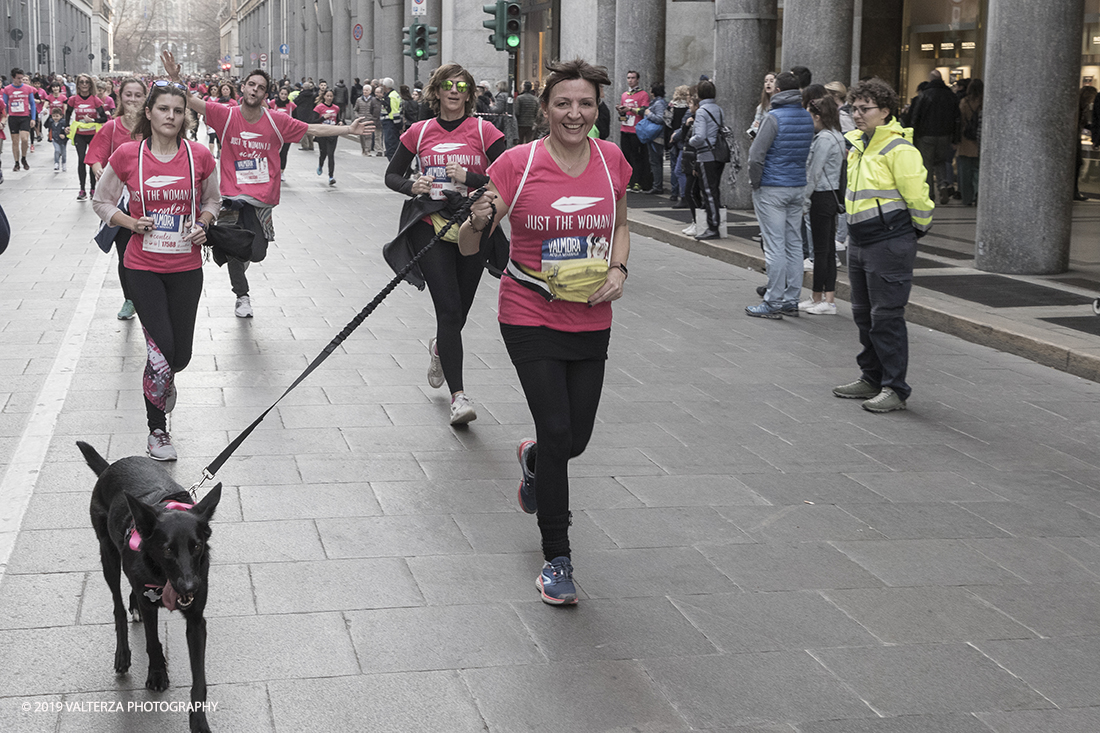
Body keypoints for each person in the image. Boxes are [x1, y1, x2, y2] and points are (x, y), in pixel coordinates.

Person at [457, 58, 632, 606]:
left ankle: (535, 460)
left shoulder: (611, 162)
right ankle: (557, 556)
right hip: (529, 310)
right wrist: (479, 220)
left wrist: (619, 269)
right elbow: (467, 245)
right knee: (559, 431)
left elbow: (621, 224)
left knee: (572, 441)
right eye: (563, 103)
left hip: (590, 314)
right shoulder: (517, 163)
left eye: (584, 104)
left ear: (596, 108)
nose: (574, 114)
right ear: (545, 109)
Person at [162, 51, 373, 318]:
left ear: (266, 94)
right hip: (230, 197)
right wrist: (174, 77)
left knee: (256, 252)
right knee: (232, 246)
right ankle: (242, 295)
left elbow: (312, 129)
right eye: (252, 85)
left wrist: (347, 130)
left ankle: (241, 260)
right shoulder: (225, 115)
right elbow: (190, 101)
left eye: (261, 87)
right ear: (243, 88)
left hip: (261, 199)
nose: (255, 90)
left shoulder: (276, 120)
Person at [91, 82, 220, 460]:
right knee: (161, 349)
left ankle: (165, 381)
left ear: (185, 117)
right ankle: (157, 430)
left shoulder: (199, 156)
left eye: (178, 111)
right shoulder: (129, 155)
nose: (171, 117)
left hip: (186, 266)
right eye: (163, 109)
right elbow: (101, 200)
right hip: (142, 267)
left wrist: (205, 222)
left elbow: (214, 198)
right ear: (149, 113)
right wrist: (130, 223)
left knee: (180, 356)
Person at [383, 64, 506, 425]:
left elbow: (510, 176)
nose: (454, 90)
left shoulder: (485, 131)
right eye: (447, 85)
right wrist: (412, 186)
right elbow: (392, 174)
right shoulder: (419, 132)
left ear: (469, 94)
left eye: (462, 86)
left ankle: (440, 347)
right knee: (449, 311)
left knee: (460, 313)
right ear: (436, 92)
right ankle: (459, 397)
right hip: (430, 225)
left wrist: (471, 178)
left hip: (474, 224)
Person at [834, 77, 934, 413]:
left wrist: (909, 232)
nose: (858, 114)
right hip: (860, 241)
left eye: (865, 109)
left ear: (886, 111)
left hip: (889, 242)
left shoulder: (899, 149)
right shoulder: (859, 146)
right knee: (864, 314)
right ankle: (871, 376)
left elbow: (919, 198)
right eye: (854, 108)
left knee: (886, 317)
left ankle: (895, 387)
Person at [745, 71, 814, 319]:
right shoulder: (807, 118)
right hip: (797, 185)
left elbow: (756, 156)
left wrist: (755, 183)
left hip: (772, 186)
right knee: (794, 244)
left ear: (777, 90)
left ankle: (773, 301)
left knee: (775, 245)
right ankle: (791, 299)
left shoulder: (773, 118)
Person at [87, 76, 148, 321]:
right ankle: (130, 298)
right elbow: (95, 155)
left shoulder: (153, 125)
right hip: (121, 204)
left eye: (138, 94)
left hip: (150, 201)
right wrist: (98, 169)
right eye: (128, 94)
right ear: (120, 97)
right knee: (125, 254)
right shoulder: (112, 127)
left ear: (146, 98)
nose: (132, 99)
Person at [798, 93, 846, 316]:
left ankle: (821, 297)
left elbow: (814, 172)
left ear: (817, 116)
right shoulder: (836, 136)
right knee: (825, 249)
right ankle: (825, 297)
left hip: (821, 196)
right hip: (832, 196)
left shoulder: (824, 139)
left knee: (820, 250)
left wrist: (805, 200)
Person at [909, 70, 959, 205]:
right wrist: (955, 138)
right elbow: (957, 119)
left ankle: (929, 193)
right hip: (945, 135)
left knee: (927, 164)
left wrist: (913, 134)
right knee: (941, 162)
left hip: (926, 135)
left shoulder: (924, 95)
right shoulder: (951, 96)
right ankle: (942, 186)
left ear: (930, 80)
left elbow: (916, 116)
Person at [689, 80, 728, 241]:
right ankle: (716, 223)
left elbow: (700, 136)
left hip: (706, 154)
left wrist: (690, 141)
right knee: (714, 189)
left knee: (708, 191)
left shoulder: (701, 111)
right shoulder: (718, 109)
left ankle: (713, 227)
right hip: (719, 154)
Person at [66, 73, 108, 200]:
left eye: (87, 82)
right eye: (81, 82)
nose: (84, 84)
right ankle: (82, 189)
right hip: (79, 135)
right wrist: (66, 126)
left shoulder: (95, 100)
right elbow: (67, 114)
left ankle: (93, 188)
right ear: (77, 84)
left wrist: (93, 120)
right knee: (81, 160)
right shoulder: (73, 99)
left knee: (92, 161)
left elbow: (104, 118)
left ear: (90, 85)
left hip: (93, 135)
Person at [617, 69, 650, 191]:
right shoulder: (624, 95)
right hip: (625, 127)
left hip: (636, 130)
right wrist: (621, 111)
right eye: (628, 78)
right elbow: (624, 111)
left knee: (637, 156)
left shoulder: (643, 94)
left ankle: (638, 181)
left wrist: (629, 109)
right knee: (626, 156)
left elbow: (644, 111)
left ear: (637, 80)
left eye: (632, 78)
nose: (630, 80)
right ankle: (628, 181)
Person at [2, 68, 38, 172]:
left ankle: (23, 157)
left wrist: (33, 118)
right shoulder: (7, 89)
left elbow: (32, 103)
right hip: (13, 117)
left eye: (22, 78)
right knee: (15, 141)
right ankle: (17, 162)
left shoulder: (28, 88)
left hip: (24, 116)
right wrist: (5, 115)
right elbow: (4, 104)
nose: (20, 80)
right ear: (13, 77)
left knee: (25, 139)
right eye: (18, 78)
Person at [957, 79, 982, 207]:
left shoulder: (964, 102)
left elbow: (960, 120)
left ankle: (967, 198)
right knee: (978, 171)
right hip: (980, 141)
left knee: (965, 172)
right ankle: (979, 194)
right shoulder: (984, 102)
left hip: (966, 140)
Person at [667, 85, 692, 206]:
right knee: (681, 169)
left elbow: (667, 121)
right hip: (682, 140)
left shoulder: (672, 106)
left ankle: (678, 194)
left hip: (679, 141)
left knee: (677, 169)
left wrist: (673, 136)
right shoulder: (688, 109)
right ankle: (684, 195)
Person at [642, 82, 667, 195]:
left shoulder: (659, 103)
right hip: (655, 135)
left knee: (655, 161)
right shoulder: (657, 102)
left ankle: (657, 185)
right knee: (655, 161)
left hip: (657, 136)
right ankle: (657, 184)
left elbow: (660, 118)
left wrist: (648, 113)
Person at [268, 86, 297, 179]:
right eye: (282, 94)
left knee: (284, 152)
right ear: (278, 94)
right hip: (274, 132)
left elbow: (296, 119)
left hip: (286, 133)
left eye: (285, 94)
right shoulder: (272, 104)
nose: (283, 96)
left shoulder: (292, 106)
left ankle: (281, 171)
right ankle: (272, 169)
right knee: (273, 152)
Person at [314, 89, 341, 186]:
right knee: (323, 153)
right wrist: (323, 118)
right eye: (327, 96)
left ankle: (331, 177)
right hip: (323, 133)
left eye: (331, 96)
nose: (329, 98)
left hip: (333, 133)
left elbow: (338, 119)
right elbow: (313, 120)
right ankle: (320, 165)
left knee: (331, 154)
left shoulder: (336, 108)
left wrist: (340, 123)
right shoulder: (319, 107)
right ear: (324, 96)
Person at [207, 81, 238, 157]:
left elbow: (236, 114)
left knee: (225, 141)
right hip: (217, 124)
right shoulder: (217, 101)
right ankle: (216, 154)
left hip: (229, 125)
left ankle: (225, 153)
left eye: (227, 89)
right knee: (215, 138)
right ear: (221, 91)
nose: (225, 91)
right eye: (223, 89)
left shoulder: (233, 102)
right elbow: (212, 112)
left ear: (230, 91)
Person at [748, 72, 777, 139]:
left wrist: (761, 125)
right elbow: (754, 125)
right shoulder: (761, 107)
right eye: (765, 81)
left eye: (771, 81)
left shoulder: (781, 104)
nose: (768, 83)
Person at [381, 78, 402, 159]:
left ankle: (394, 167)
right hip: (393, 124)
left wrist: (398, 126)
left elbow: (394, 112)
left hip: (391, 124)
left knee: (391, 147)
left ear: (384, 86)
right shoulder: (395, 94)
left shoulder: (391, 96)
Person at [45, 107, 67, 172]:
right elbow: (45, 125)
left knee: (63, 153)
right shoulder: (51, 122)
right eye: (53, 116)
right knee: (57, 150)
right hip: (55, 139)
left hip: (63, 141)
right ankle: (56, 163)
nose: (55, 118)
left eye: (57, 116)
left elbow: (68, 131)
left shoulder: (64, 122)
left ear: (61, 116)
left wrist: (64, 135)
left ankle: (64, 164)